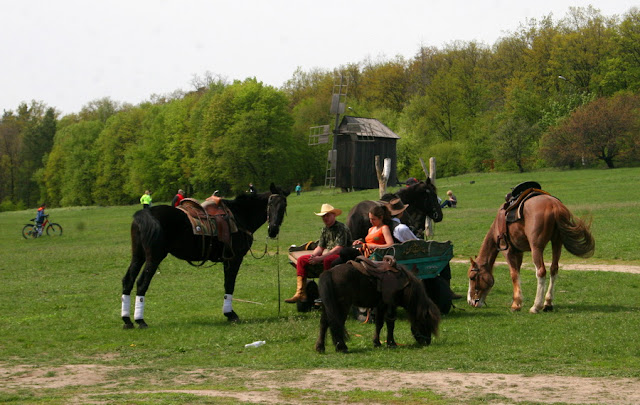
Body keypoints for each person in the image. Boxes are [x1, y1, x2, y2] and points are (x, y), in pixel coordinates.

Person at [285, 203, 352, 304]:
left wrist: (320, 258)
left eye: (327, 215)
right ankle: (300, 293)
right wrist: (314, 256)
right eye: (323, 216)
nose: (325, 218)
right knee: (302, 260)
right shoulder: (325, 229)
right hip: (329, 254)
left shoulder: (341, 228)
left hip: (343, 255)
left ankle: (325, 292)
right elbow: (320, 247)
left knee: (327, 260)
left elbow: (339, 248)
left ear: (334, 215)